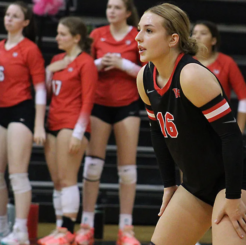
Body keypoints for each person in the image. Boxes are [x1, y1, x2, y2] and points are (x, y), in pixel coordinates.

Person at [135, 3, 246, 245]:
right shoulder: (145, 77)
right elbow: (157, 133)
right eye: (139, 30)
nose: (138, 37)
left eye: (149, 31)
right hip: (195, 184)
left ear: (173, 39)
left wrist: (233, 197)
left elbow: (232, 137)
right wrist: (169, 185)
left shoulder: (191, 75)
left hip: (232, 181)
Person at [73, 0, 142, 245]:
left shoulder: (137, 35)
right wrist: (100, 64)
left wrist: (124, 65)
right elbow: (81, 67)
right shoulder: (97, 35)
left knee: (127, 169)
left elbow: (149, 71)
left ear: (127, 12)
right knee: (92, 166)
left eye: (116, 7)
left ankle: (126, 229)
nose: (111, 11)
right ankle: (86, 225)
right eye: (108, 7)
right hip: (99, 104)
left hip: (127, 105)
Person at [37, 16, 97, 245]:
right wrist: (49, 71)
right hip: (53, 122)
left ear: (76, 38)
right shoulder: (57, 59)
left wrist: (78, 133)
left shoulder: (86, 63)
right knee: (57, 181)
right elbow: (48, 94)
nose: (57, 38)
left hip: (71, 125)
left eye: (62, 34)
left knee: (67, 178)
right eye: (58, 33)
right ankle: (59, 228)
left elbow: (88, 101)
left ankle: (67, 230)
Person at [0, 2, 46, 245]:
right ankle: (2, 228)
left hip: (21, 111)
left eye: (15, 16)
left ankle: (20, 232)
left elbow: (40, 89)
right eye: (8, 14)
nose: (9, 18)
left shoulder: (29, 49)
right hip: (1, 112)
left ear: (25, 22)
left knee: (17, 174)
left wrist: (38, 124)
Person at [192, 21, 246, 132]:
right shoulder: (184, 61)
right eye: (194, 33)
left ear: (213, 40)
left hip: (219, 123)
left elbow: (244, 98)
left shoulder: (226, 62)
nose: (197, 36)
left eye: (203, 33)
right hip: (191, 123)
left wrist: (240, 130)